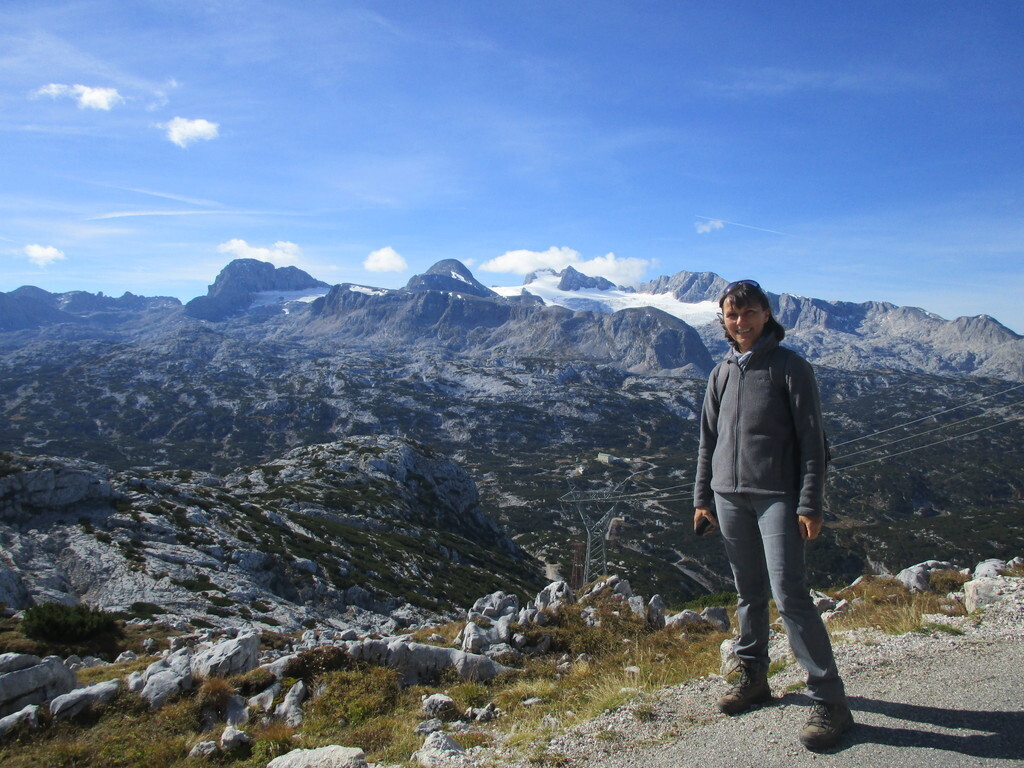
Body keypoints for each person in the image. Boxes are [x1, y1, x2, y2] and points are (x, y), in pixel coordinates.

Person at [692, 279, 852, 751]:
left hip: (778, 496)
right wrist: (703, 497)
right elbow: (708, 440)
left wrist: (810, 503)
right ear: (723, 320)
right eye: (731, 315)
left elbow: (812, 443)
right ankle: (754, 678)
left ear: (766, 314)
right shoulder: (720, 371)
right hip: (728, 496)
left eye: (748, 313)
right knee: (748, 592)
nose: (740, 322)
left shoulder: (790, 367)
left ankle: (830, 700)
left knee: (790, 595)